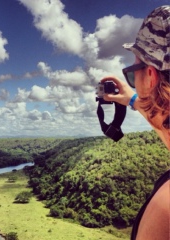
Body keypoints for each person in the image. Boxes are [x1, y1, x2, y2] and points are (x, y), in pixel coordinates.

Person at [101, 5, 170, 240]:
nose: (131, 78)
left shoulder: (166, 211)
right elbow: (165, 123)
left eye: (133, 70)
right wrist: (130, 99)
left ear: (150, 76)